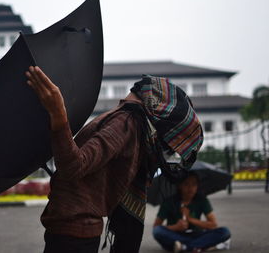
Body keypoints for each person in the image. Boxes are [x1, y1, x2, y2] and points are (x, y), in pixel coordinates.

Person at [25, 66, 203, 253]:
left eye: (145, 87)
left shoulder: (125, 122)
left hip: (73, 233)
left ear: (152, 102)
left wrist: (58, 112)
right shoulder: (131, 125)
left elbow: (74, 166)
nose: (137, 87)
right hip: (74, 230)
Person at [152, 172, 231, 253]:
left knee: (225, 231)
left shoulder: (202, 200)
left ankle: (185, 247)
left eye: (194, 184)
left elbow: (213, 224)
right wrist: (176, 227)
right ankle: (196, 246)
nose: (190, 188)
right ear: (179, 185)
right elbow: (156, 227)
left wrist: (190, 219)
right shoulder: (169, 202)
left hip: (197, 235)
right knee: (158, 231)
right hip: (175, 235)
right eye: (186, 184)